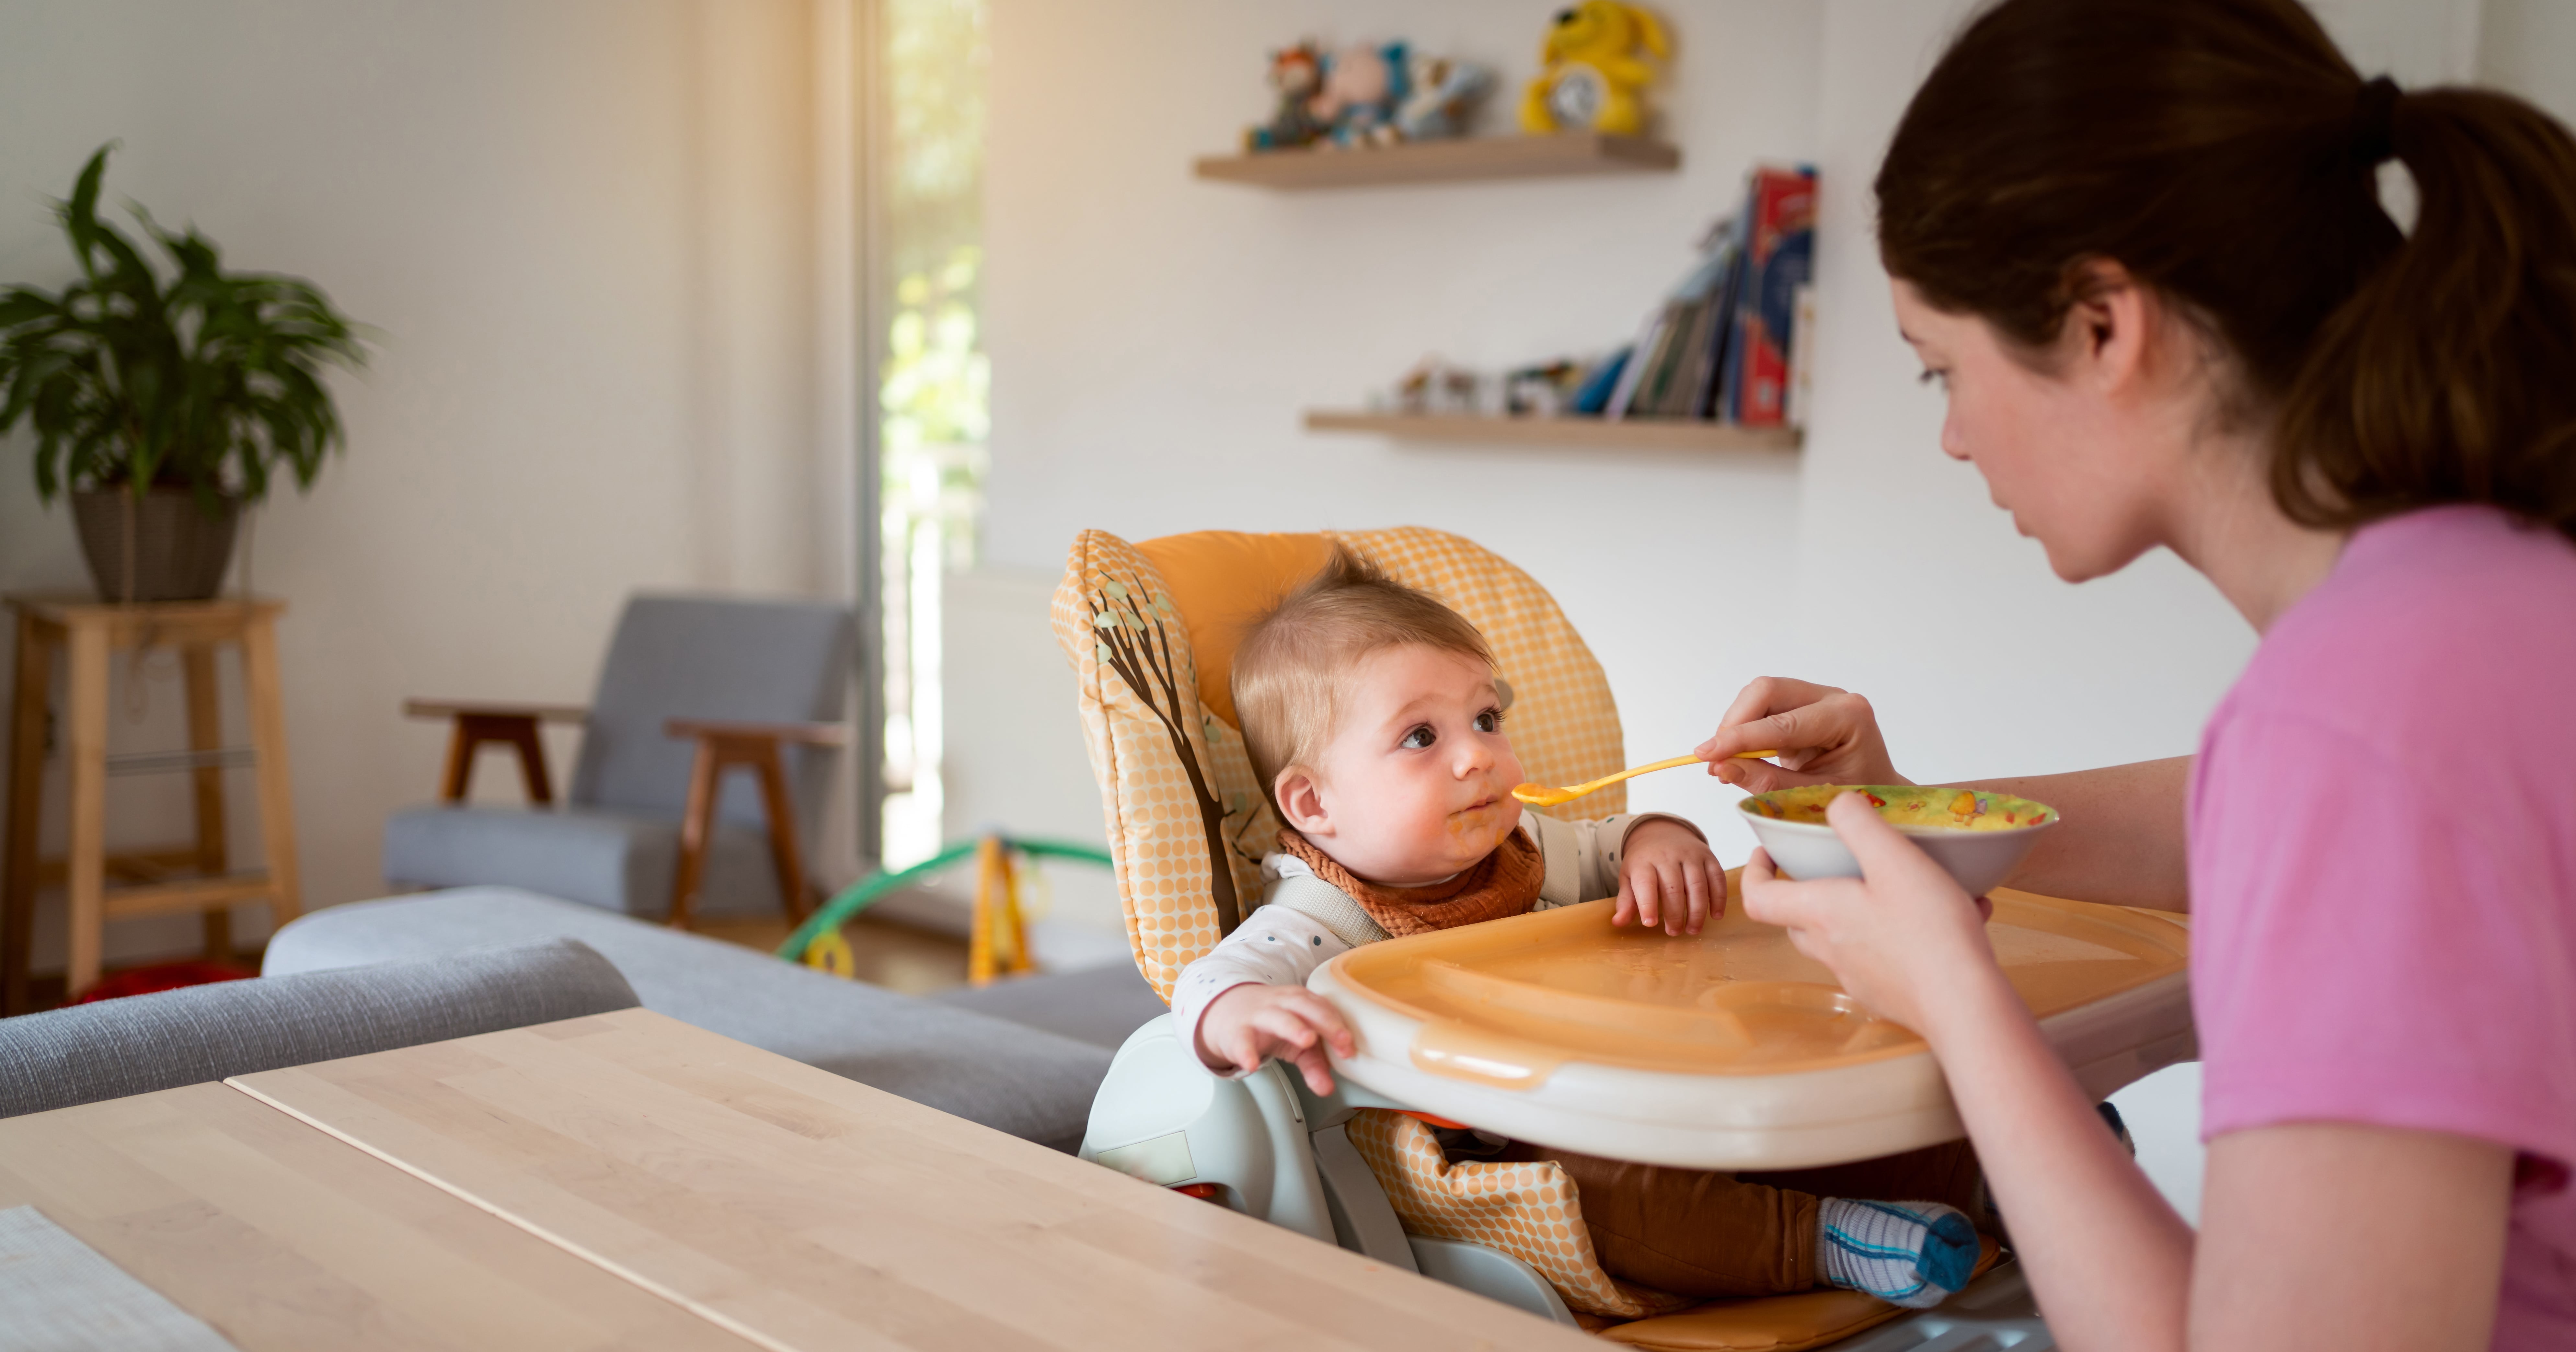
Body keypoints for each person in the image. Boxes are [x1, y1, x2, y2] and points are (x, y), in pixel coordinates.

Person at [1691, 1, 2576, 1346]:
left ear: (2103, 324)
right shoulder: (2487, 592)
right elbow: (2257, 821)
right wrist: (1918, 812)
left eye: (1940, 371)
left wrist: (1957, 1000)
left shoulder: (2347, 718)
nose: (1951, 438)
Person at [1173, 547, 1987, 1308]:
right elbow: (1211, 979)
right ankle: (1822, 1241)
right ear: (1314, 802)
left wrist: (1657, 841)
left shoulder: (1532, 849)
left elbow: (1611, 839)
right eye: (1421, 736)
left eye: (1485, 717)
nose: (1477, 755)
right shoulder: (1320, 919)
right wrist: (1237, 1011)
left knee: (1794, 1099)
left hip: (1633, 1086)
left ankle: (1971, 1174)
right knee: (1617, 1200)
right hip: (1510, 1150)